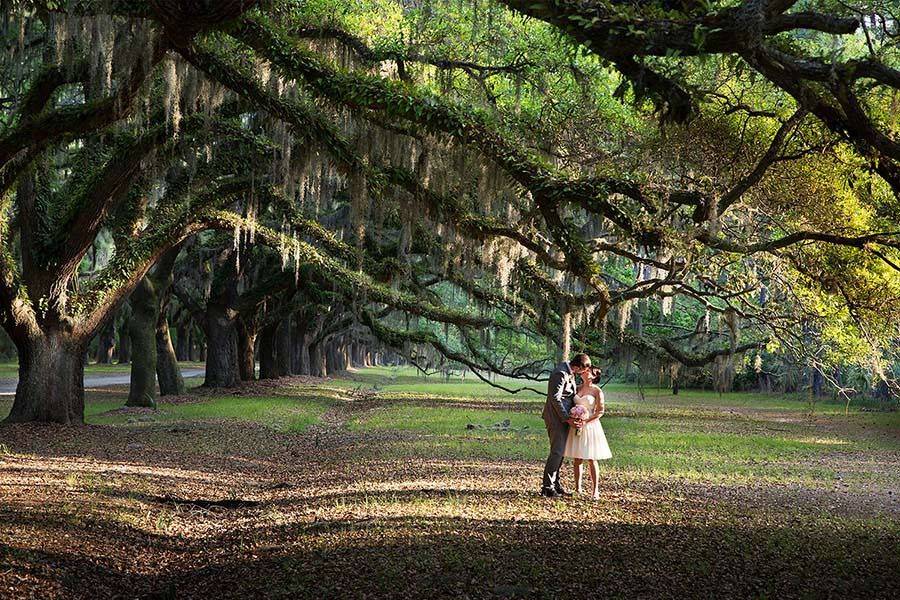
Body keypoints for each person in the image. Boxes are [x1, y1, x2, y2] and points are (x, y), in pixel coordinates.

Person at [541, 353, 592, 497]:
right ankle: (547, 487)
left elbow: (570, 395)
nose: (582, 373)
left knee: (561, 452)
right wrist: (566, 418)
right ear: (578, 366)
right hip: (556, 418)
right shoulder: (560, 373)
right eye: (582, 370)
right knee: (557, 451)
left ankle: (555, 484)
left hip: (565, 417)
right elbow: (555, 398)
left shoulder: (570, 372)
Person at [564, 367, 612, 500]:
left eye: (588, 371)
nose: (584, 372)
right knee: (577, 458)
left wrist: (586, 420)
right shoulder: (577, 388)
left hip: (590, 425)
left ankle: (595, 490)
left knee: (591, 458)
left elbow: (600, 411)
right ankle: (578, 488)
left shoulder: (597, 391)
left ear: (593, 376)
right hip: (576, 425)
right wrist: (574, 417)